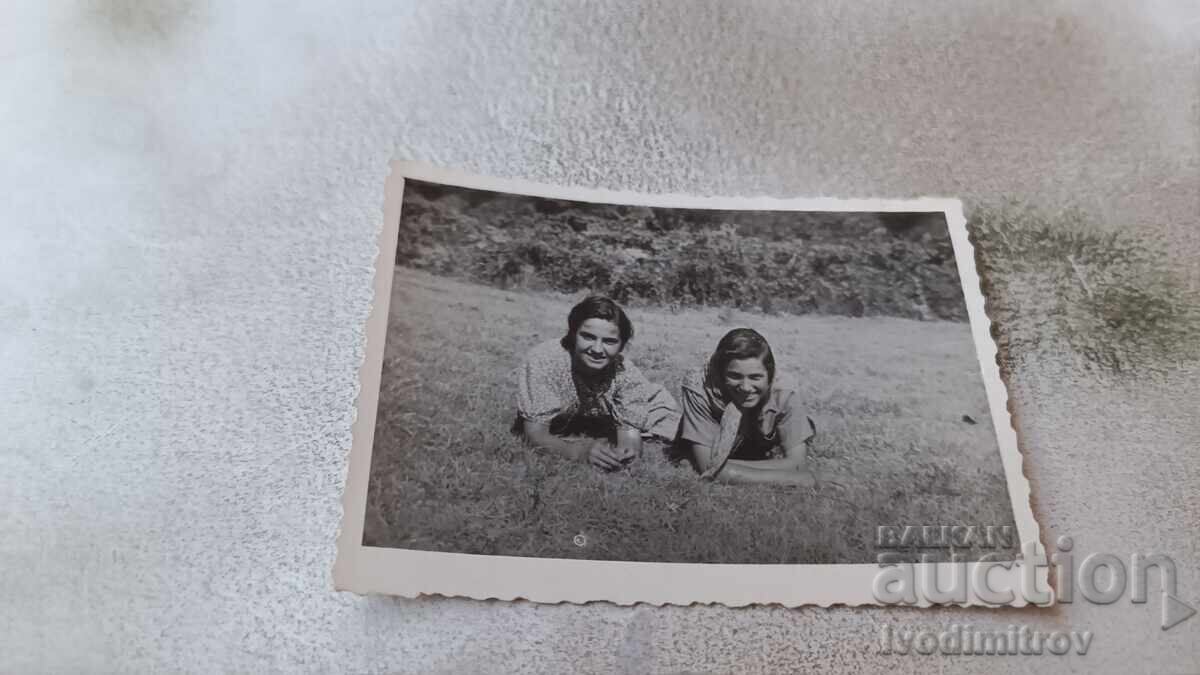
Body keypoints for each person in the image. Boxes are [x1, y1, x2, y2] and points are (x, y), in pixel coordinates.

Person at [515, 296, 680, 471]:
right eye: (588, 337)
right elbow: (534, 433)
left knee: (670, 427)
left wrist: (626, 455)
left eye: (609, 341)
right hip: (571, 414)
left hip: (604, 412)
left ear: (621, 346)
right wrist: (579, 452)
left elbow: (629, 435)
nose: (597, 349)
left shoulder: (625, 372)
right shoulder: (545, 360)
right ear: (572, 335)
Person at [676, 328, 828, 486]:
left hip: (759, 439)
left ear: (770, 375)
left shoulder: (785, 391)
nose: (746, 387)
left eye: (755, 377)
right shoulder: (699, 386)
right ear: (721, 374)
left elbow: (797, 463)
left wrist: (722, 467)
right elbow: (709, 468)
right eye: (734, 376)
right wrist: (791, 478)